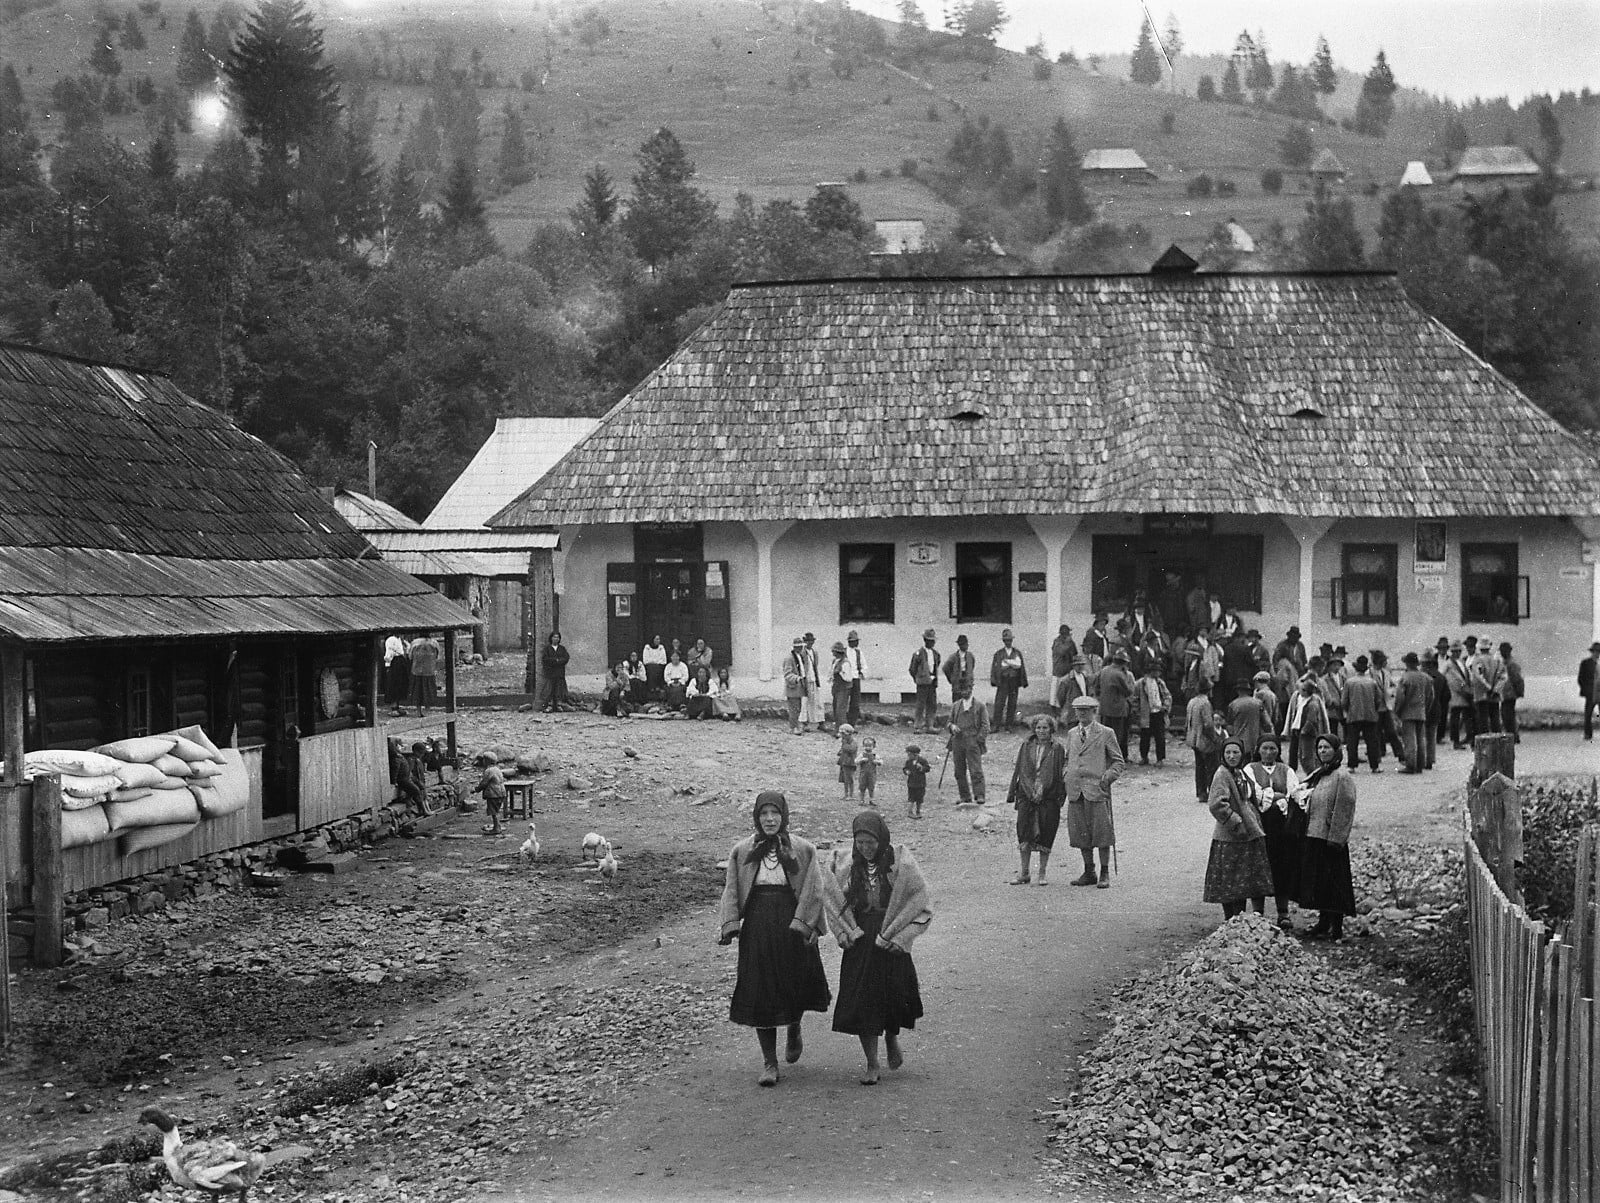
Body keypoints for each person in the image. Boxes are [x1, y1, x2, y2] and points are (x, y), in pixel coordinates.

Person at [718, 792, 833, 1087]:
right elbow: (732, 888)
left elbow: (814, 888)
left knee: (793, 982)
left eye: (775, 813)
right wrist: (730, 924)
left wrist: (808, 925)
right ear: (756, 817)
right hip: (758, 924)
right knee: (759, 989)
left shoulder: (802, 849)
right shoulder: (743, 850)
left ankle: (794, 1025)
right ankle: (769, 1062)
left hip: (791, 921)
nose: (769, 819)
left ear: (784, 815)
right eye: (764, 814)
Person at [824, 810, 931, 1086]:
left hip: (888, 936)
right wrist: (842, 933)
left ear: (881, 838)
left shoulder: (900, 864)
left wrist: (901, 938)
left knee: (892, 996)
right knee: (861, 1001)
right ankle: (872, 1062)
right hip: (861, 941)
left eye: (870, 842)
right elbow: (833, 901)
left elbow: (918, 902)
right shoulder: (847, 865)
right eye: (860, 842)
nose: (865, 848)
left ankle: (892, 1039)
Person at [1203, 737, 1275, 921]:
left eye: (1236, 752)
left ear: (1242, 754)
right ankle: (1233, 921)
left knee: (1248, 878)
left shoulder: (1240, 773)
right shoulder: (1222, 774)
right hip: (1231, 836)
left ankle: (1250, 920)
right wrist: (1236, 822)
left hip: (1250, 832)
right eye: (1228, 752)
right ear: (1222, 755)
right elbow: (1216, 804)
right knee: (1231, 880)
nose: (1232, 756)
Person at [1296, 734, 1358, 941]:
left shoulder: (1342, 776)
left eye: (1327, 748)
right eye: (1320, 748)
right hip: (1314, 835)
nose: (1323, 751)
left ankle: (1337, 928)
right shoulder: (1319, 774)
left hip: (1330, 839)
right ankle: (1323, 923)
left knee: (1334, 884)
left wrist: (1337, 837)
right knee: (1320, 883)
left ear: (1336, 750)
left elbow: (1344, 808)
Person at [1063, 695, 1124, 888]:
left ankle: (1104, 872)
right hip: (1075, 789)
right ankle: (1089, 871)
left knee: (1101, 832)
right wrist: (1066, 773)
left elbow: (1118, 762)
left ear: (1094, 712)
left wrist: (1107, 777)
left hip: (1096, 789)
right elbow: (1067, 758)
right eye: (1078, 710)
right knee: (1080, 832)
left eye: (1086, 710)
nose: (1081, 713)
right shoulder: (1072, 733)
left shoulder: (1105, 733)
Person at [1244, 734, 1304, 930]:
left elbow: (1293, 793)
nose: (1268, 753)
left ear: (1278, 751)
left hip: (1281, 828)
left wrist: (1279, 797)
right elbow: (1253, 793)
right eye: (1264, 749)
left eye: (1273, 749)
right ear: (1258, 750)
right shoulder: (1250, 769)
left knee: (1281, 866)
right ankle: (1258, 912)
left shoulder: (1287, 771)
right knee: (1258, 865)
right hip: (1259, 825)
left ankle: (1283, 912)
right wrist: (1275, 796)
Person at [1006, 714, 1067, 886]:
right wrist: (1028, 790)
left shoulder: (1058, 748)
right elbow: (1021, 769)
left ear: (1051, 729)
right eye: (1038, 728)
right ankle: (1024, 872)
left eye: (1045, 728)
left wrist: (1045, 790)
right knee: (1024, 832)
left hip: (1048, 796)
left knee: (1046, 832)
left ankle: (1042, 872)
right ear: (1034, 729)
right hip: (1027, 794)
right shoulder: (1026, 746)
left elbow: (1058, 774)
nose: (1041, 731)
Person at [946, 683, 989, 807]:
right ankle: (965, 796)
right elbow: (949, 722)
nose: (964, 692)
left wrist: (978, 740)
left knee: (975, 769)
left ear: (971, 689)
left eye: (966, 689)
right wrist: (952, 726)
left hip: (972, 740)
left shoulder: (980, 706)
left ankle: (979, 795)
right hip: (958, 741)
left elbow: (985, 725)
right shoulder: (956, 706)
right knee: (959, 770)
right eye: (962, 689)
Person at [1392, 653, 1433, 774]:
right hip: (1421, 711)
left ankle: (1411, 765)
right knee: (1421, 739)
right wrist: (1426, 708)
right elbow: (1431, 696)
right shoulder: (1426, 678)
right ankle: (1420, 764)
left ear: (1407, 663)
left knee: (1410, 740)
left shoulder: (1405, 678)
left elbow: (1400, 697)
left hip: (1408, 712)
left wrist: (1397, 712)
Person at [1341, 656, 1382, 772]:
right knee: (1372, 742)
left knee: (1352, 742)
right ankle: (1374, 766)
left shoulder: (1349, 682)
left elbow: (1344, 701)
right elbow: (1378, 700)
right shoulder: (1372, 682)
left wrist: (1347, 710)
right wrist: (1374, 709)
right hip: (1370, 715)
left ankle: (1352, 765)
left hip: (1353, 715)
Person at [1284, 673, 1329, 774]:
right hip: (1297, 728)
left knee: (1306, 755)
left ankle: (1311, 773)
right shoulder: (1298, 698)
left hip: (1307, 732)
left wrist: (1304, 730)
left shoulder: (1313, 703)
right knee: (1296, 752)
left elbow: (1311, 719)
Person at [1095, 648, 1136, 758]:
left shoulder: (1104, 671)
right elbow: (1128, 691)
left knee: (1105, 734)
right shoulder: (1119, 674)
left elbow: (1097, 688)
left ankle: (1105, 757)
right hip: (1118, 709)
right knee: (1117, 735)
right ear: (1123, 663)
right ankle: (1115, 758)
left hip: (1104, 708)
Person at [1185, 687, 1220, 804]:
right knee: (1211, 766)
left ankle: (1201, 792)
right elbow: (1208, 724)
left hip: (1193, 738)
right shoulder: (1205, 703)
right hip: (1204, 739)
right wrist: (1214, 738)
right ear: (1209, 690)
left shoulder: (1192, 701)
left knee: (1199, 767)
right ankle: (1211, 792)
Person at [1134, 659, 1171, 767]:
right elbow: (1135, 698)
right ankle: (1144, 757)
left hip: (1158, 712)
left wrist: (1165, 707)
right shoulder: (1141, 683)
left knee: (1160, 737)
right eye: (1156, 671)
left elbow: (1167, 696)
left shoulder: (1160, 683)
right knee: (1145, 736)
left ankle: (1160, 758)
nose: (1158, 673)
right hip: (1146, 713)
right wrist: (1136, 711)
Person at [990, 629, 1028, 732]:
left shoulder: (1017, 653)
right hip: (1003, 681)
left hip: (1014, 681)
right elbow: (998, 667)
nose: (1008, 642)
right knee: (999, 703)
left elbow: (1019, 666)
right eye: (1006, 640)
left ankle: (1009, 725)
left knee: (1012, 703)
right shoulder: (999, 654)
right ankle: (996, 725)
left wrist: (1007, 663)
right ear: (1003, 641)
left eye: (1010, 640)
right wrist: (1012, 664)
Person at [908, 629, 942, 734]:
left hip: (932, 682)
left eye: (933, 640)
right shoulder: (918, 654)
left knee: (932, 704)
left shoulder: (936, 654)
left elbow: (937, 665)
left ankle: (930, 725)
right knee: (920, 704)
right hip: (922, 682)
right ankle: (918, 726)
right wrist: (918, 679)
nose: (932, 642)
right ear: (925, 640)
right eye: (929, 640)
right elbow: (912, 669)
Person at [1443, 641, 1475, 749]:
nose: (1457, 653)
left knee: (1467, 717)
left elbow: (1467, 675)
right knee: (1455, 718)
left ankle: (1469, 737)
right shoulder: (1449, 664)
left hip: (1464, 692)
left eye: (1458, 651)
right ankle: (1456, 741)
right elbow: (1454, 680)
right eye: (1455, 651)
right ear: (1451, 652)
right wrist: (1465, 690)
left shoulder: (1461, 661)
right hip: (1456, 694)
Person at [1469, 639, 1504, 735]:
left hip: (1481, 695)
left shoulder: (1477, 660)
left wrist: (1488, 687)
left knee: (1482, 720)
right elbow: (1503, 677)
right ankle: (1498, 742)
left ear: (1479, 647)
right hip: (1494, 695)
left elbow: (1478, 676)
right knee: (1495, 719)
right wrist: (1495, 689)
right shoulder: (1496, 661)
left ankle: (1484, 743)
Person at [471, 752, 507, 836]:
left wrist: (476, 790)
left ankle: (496, 828)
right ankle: (497, 826)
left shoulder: (488, 771)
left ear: (487, 761)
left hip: (493, 793)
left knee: (493, 811)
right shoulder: (497, 769)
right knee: (496, 810)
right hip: (501, 792)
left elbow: (484, 783)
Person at [1225, 680, 1264, 758]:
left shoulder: (1233, 705)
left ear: (1238, 691)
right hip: (1256, 739)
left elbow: (1229, 725)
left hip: (1240, 740)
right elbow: (1266, 722)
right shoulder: (1258, 703)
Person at [409, 631, 442, 716]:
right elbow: (438, 657)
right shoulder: (434, 643)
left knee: (417, 691)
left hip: (417, 670)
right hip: (429, 670)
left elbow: (410, 656)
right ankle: (427, 709)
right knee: (429, 690)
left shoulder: (415, 642)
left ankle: (418, 710)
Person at [536, 631, 569, 713]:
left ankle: (558, 705)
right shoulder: (547, 649)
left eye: (557, 637)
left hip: (559, 672)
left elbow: (566, 658)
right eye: (554, 637)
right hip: (551, 673)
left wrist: (559, 661)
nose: (556, 639)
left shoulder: (562, 649)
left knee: (559, 689)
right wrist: (555, 661)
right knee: (549, 689)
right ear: (551, 638)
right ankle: (550, 705)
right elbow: (545, 659)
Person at [1499, 642, 1524, 743]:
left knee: (1507, 714)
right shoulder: (1505, 662)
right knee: (1507, 714)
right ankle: (1513, 735)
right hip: (1506, 693)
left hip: (1510, 693)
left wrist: (1518, 691)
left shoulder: (1511, 664)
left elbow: (1516, 679)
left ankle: (1512, 735)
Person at [1058, 655, 1093, 725]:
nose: (1080, 667)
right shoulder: (1066, 680)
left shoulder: (1085, 677)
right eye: (1077, 665)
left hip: (1084, 709)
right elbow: (1060, 698)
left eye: (1081, 665)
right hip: (1072, 712)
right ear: (1073, 666)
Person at [842, 630, 868, 727]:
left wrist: (862, 673)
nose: (855, 643)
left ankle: (851, 724)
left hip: (856, 679)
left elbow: (864, 665)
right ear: (849, 642)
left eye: (856, 641)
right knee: (844, 701)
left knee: (855, 703)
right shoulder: (844, 652)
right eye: (853, 641)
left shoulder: (859, 652)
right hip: (845, 680)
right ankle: (843, 723)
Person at [783, 636, 807, 734]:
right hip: (792, 687)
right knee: (794, 708)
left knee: (798, 708)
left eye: (801, 646)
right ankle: (793, 727)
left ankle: (795, 725)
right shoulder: (789, 658)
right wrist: (797, 678)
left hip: (799, 687)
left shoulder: (799, 656)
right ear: (794, 647)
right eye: (798, 646)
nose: (800, 648)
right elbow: (787, 674)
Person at [799, 634, 824, 732]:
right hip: (806, 679)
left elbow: (815, 666)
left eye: (812, 641)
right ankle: (804, 723)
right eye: (808, 641)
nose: (810, 643)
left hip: (814, 679)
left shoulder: (814, 652)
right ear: (805, 642)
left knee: (817, 701)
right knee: (805, 702)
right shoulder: (802, 652)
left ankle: (820, 722)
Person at [1050, 625, 1078, 709]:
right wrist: (1068, 643)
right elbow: (1061, 652)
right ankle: (1055, 711)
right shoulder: (1057, 642)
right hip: (1058, 672)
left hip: (1067, 671)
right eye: (1066, 634)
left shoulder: (1070, 642)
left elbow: (1075, 653)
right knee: (1056, 697)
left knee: (1066, 695)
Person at [942, 633, 977, 699]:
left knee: (967, 704)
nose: (966, 645)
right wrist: (951, 679)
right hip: (957, 683)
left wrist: (969, 677)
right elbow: (945, 668)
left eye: (966, 643)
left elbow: (972, 667)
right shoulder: (953, 657)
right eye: (963, 644)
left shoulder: (970, 656)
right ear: (959, 645)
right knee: (957, 704)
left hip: (967, 683)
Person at [383, 633, 411, 715]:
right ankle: (394, 707)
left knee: (397, 684)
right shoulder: (393, 639)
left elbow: (391, 653)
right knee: (395, 684)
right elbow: (390, 652)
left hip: (398, 662)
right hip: (397, 662)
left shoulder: (395, 640)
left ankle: (396, 706)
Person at [902, 744, 930, 819]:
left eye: (909, 754)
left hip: (920, 783)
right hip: (911, 783)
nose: (908, 756)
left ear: (915, 754)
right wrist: (906, 771)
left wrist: (921, 768)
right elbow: (905, 768)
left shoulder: (922, 760)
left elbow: (927, 768)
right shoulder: (908, 761)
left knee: (919, 798)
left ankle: (918, 811)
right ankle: (910, 811)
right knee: (911, 798)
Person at [828, 640, 851, 730]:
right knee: (835, 708)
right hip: (836, 687)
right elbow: (831, 672)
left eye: (833, 651)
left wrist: (840, 672)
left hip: (844, 688)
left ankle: (843, 729)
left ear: (838, 652)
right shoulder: (835, 661)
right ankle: (838, 728)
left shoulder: (845, 663)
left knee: (840, 710)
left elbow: (848, 678)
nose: (832, 653)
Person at [1580, 641, 1600, 742]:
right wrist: (1587, 690)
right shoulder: (1586, 663)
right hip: (1590, 693)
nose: (1597, 654)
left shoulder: (1599, 664)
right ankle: (1588, 733)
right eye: (1595, 651)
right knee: (1588, 714)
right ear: (1592, 652)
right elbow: (1581, 678)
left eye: (1598, 652)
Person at [836, 724, 859, 800]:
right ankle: (846, 794)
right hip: (844, 762)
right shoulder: (844, 741)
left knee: (850, 779)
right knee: (845, 779)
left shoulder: (853, 742)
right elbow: (843, 749)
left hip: (850, 763)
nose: (842, 736)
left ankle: (851, 794)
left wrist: (844, 746)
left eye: (843, 734)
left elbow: (851, 749)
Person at [857, 735, 880, 805]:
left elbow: (881, 761)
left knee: (871, 787)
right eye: (866, 746)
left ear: (873, 746)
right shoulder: (862, 754)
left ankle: (872, 799)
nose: (867, 748)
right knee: (862, 787)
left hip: (872, 774)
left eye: (870, 746)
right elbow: (856, 761)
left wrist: (877, 762)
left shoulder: (875, 755)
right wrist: (861, 760)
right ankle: (861, 799)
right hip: (863, 774)